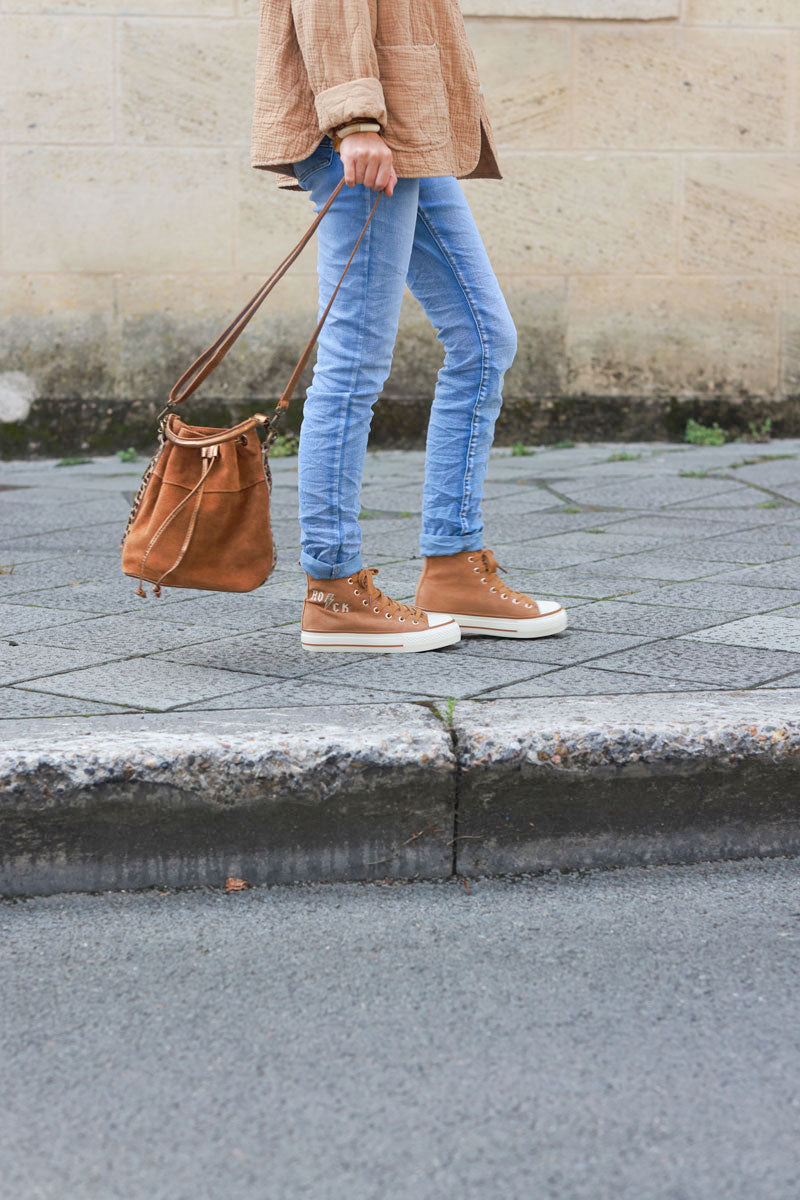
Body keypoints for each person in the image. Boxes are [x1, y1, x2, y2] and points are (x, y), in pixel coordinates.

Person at [251, 0, 567, 653]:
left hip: (405, 129)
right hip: (366, 134)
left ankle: (452, 567)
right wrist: (354, 119)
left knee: (485, 338)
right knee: (355, 359)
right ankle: (333, 588)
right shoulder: (358, 125)